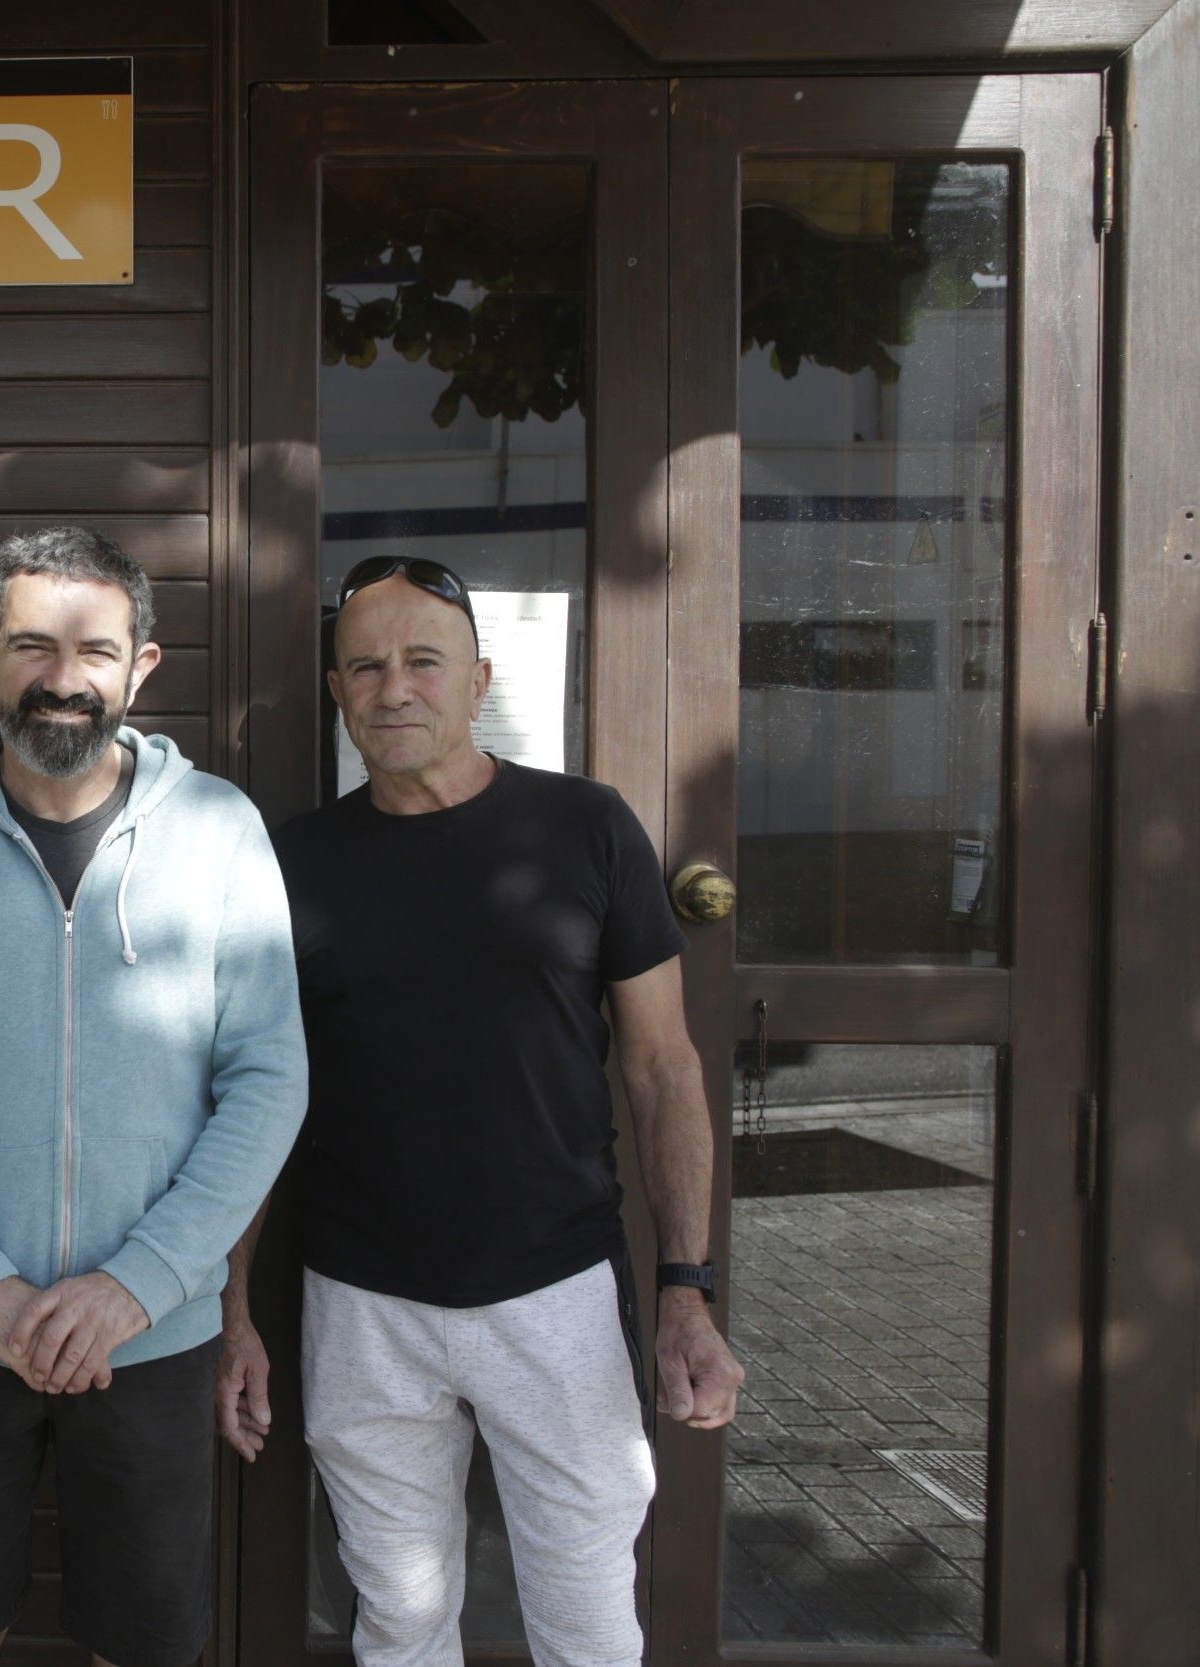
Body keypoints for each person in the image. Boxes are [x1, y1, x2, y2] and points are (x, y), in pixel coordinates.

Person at [219, 555, 746, 1667]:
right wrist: (233, 1305)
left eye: (423, 660)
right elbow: (258, 1099)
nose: (394, 687)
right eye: (365, 665)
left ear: (478, 680)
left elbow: (662, 1069)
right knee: (400, 1616)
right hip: (361, 1297)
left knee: (588, 1614)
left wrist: (686, 1292)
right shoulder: (290, 862)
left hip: (553, 1289)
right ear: (336, 691)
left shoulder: (587, 829)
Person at [0, 525, 308, 1667]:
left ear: (142, 666)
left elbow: (269, 1079)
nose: (63, 675)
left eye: (94, 647)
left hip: (152, 1333)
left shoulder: (221, 831)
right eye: (32, 644)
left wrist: (137, 1285)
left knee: (141, 1643)